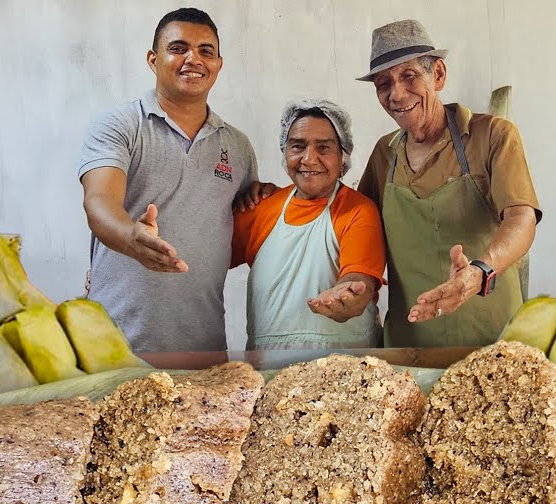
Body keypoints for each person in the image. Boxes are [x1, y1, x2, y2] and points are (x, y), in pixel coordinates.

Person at [79, 8, 259, 352]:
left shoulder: (237, 146)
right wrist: (132, 237)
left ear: (219, 64)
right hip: (115, 348)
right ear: (153, 59)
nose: (194, 59)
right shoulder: (121, 125)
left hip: (205, 349)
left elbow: (238, 228)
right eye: (178, 48)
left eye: (206, 51)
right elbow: (98, 201)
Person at [356, 19, 541, 348]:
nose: (396, 94)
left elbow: (521, 217)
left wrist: (480, 271)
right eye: (383, 84)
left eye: (409, 76)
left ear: (438, 74)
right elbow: (360, 231)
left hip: (492, 339)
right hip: (411, 343)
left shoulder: (493, 136)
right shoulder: (384, 155)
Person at [231, 100, 385, 350]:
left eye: (323, 147)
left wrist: (348, 296)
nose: (309, 159)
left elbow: (359, 280)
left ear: (342, 155)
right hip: (269, 374)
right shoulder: (260, 208)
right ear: (285, 151)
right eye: (298, 146)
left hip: (346, 373)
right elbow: (206, 262)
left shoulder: (357, 211)